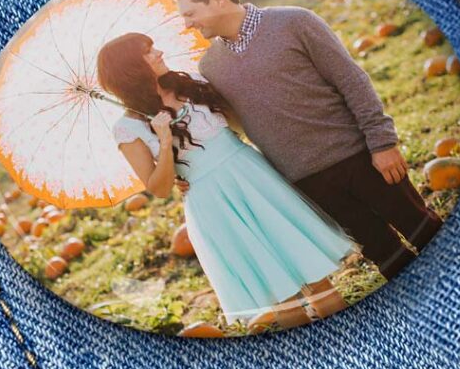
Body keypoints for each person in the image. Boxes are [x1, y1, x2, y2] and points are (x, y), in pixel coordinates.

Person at [169, 0, 444, 282]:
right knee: (385, 255)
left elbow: (351, 81)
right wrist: (188, 171)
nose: (187, 24)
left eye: (190, 13)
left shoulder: (294, 22)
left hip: (361, 157)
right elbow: (221, 128)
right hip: (307, 181)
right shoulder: (211, 67)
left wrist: (382, 143)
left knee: (422, 229)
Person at [96, 33, 353, 330]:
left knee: (314, 275)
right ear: (131, 69)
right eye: (149, 52)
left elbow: (242, 123)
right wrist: (165, 142)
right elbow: (159, 188)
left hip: (252, 177)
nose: (159, 52)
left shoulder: (191, 83)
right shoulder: (128, 128)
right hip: (213, 202)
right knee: (282, 295)